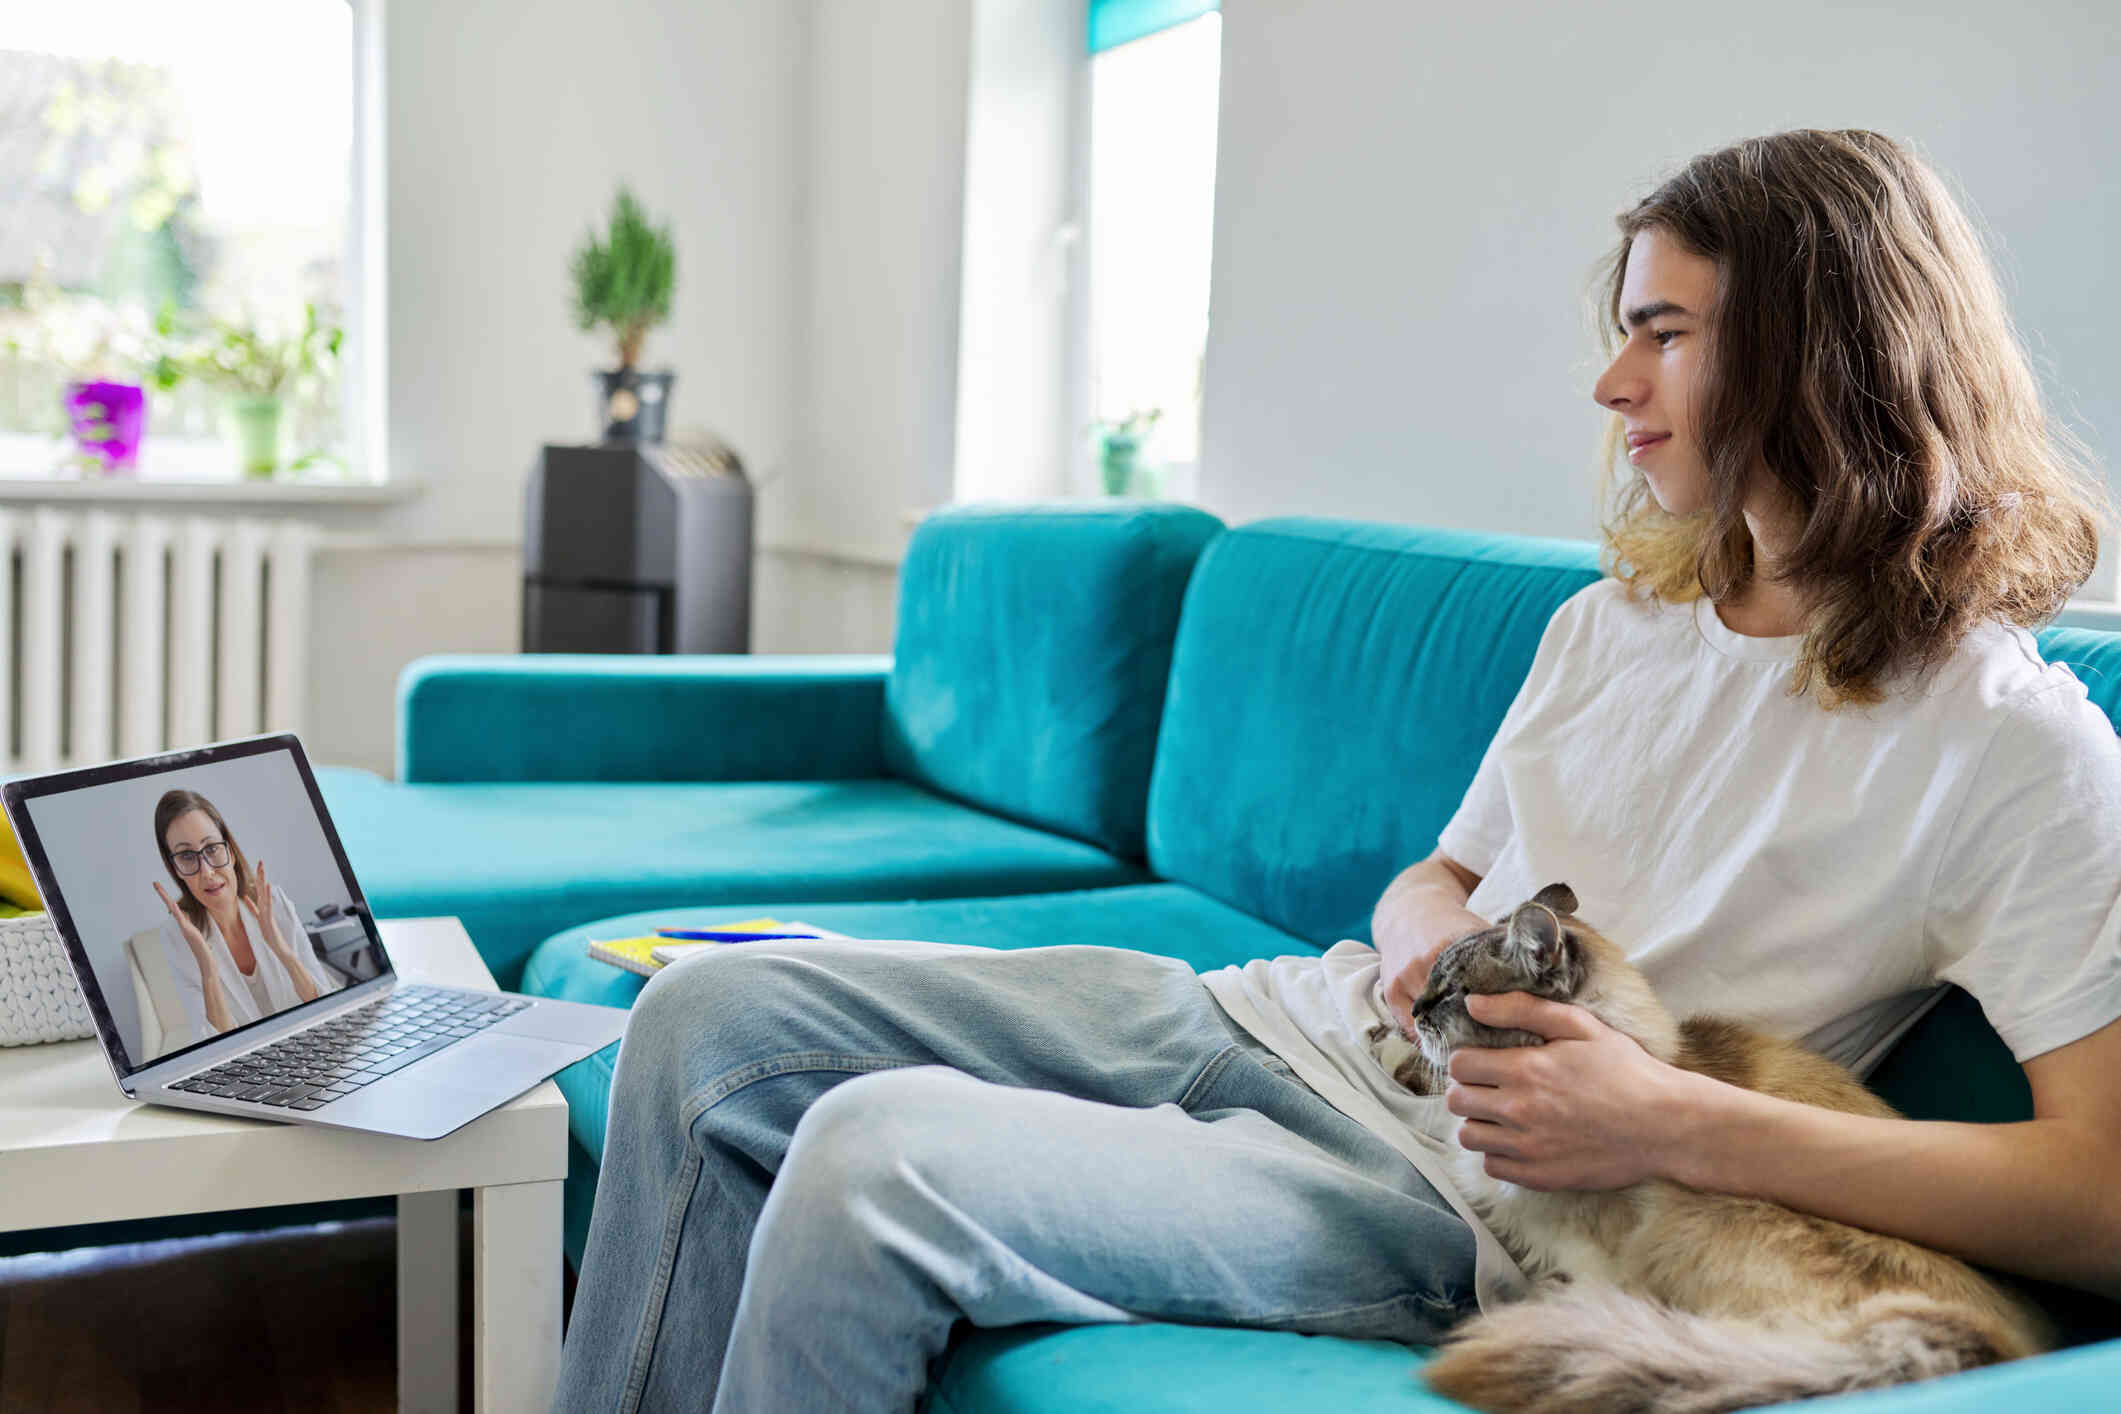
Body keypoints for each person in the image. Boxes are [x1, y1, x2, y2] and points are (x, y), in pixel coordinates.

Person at [552, 129, 2121, 1413]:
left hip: (1467, 1188)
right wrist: (1416, 934)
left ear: (1814, 348)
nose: (1612, 385)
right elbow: (1441, 873)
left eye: (1662, 333)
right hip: (1292, 1015)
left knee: (872, 1156)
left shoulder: (2006, 744)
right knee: (704, 1011)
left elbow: (2098, 1192)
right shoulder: (1616, 620)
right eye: (1620, 332)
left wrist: (1663, 1120)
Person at [152, 788, 344, 1048]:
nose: (207, 872)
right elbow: (212, 1051)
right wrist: (209, 972)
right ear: (175, 868)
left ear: (229, 851)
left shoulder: (272, 902)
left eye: (212, 848)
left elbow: (326, 1008)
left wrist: (282, 951)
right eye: (187, 856)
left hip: (312, 1048)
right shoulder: (178, 937)